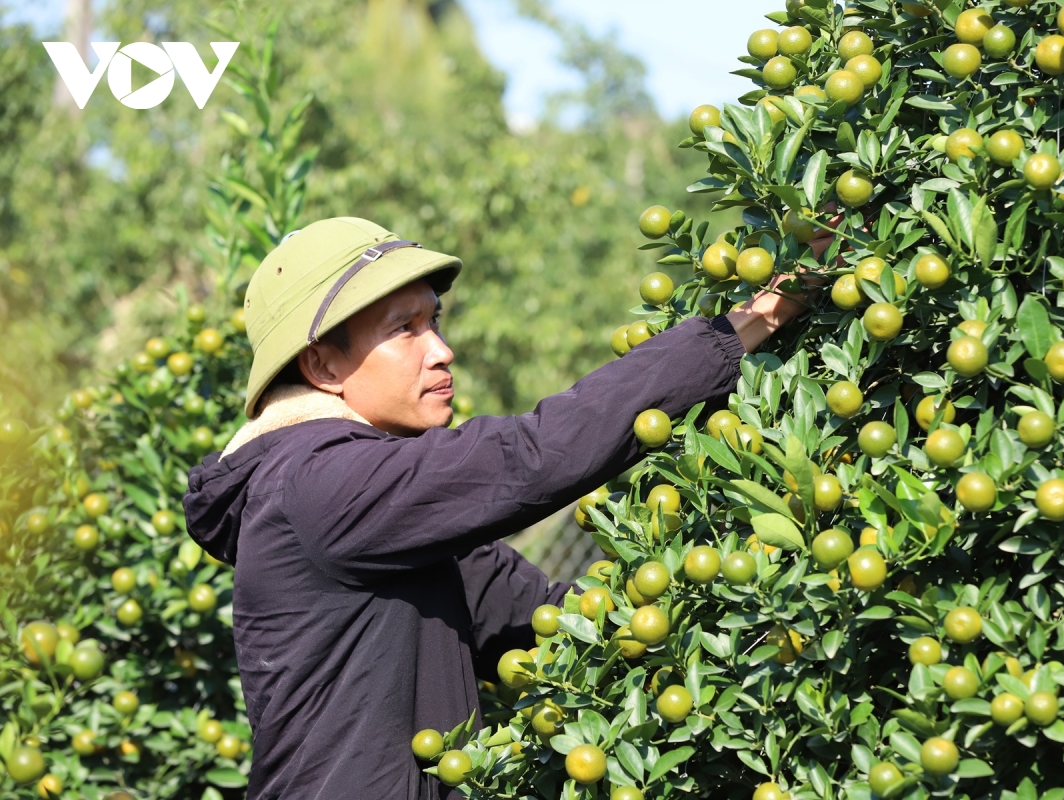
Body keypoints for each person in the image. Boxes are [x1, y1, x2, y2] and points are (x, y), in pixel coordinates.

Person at [182, 216, 819, 799]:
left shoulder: (390, 516)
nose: (440, 349)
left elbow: (555, 621)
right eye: (403, 329)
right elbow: (533, 456)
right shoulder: (321, 484)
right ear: (321, 364)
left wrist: (766, 609)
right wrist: (753, 319)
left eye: (433, 320)